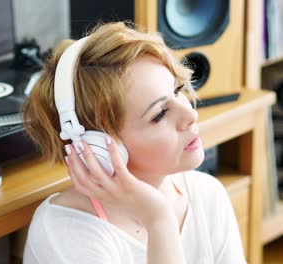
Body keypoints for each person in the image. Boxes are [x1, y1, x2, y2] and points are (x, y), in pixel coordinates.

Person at [21, 22, 246, 264]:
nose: (191, 115)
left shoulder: (207, 194)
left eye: (177, 90)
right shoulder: (65, 233)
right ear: (97, 148)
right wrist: (159, 220)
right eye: (159, 114)